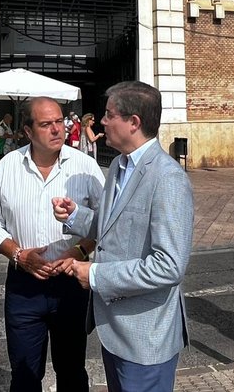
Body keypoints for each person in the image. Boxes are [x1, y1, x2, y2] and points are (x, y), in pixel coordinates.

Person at [53, 81, 194, 392]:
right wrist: (76, 215)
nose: (102, 122)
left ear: (134, 123)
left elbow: (169, 266)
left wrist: (96, 274)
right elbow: (112, 226)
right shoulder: (118, 165)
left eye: (109, 114)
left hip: (145, 336)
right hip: (114, 329)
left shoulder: (168, 178)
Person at [0, 97, 104, 392]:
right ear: (27, 131)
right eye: (45, 124)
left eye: (59, 121)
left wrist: (79, 251)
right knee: (24, 375)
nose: (56, 130)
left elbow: (107, 222)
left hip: (71, 284)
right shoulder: (9, 165)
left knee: (72, 371)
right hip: (24, 287)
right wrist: (19, 255)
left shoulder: (85, 167)